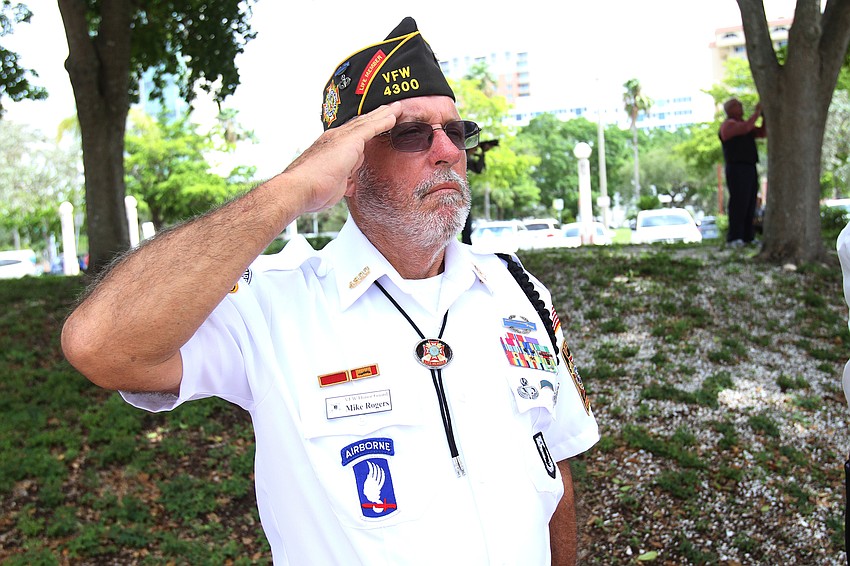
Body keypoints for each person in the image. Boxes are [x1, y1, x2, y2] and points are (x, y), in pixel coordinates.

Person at [61, 17, 599, 565]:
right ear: (349, 162)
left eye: (456, 132)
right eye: (413, 133)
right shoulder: (273, 304)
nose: (447, 152)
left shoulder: (516, 291)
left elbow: (553, 466)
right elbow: (101, 344)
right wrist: (291, 189)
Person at [719, 97, 766, 247]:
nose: (741, 107)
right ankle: (734, 237)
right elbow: (745, 128)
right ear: (730, 109)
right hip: (736, 168)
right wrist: (757, 113)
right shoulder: (728, 126)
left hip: (750, 167)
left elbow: (762, 133)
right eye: (737, 105)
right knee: (739, 201)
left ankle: (748, 237)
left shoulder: (745, 124)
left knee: (751, 201)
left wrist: (764, 116)